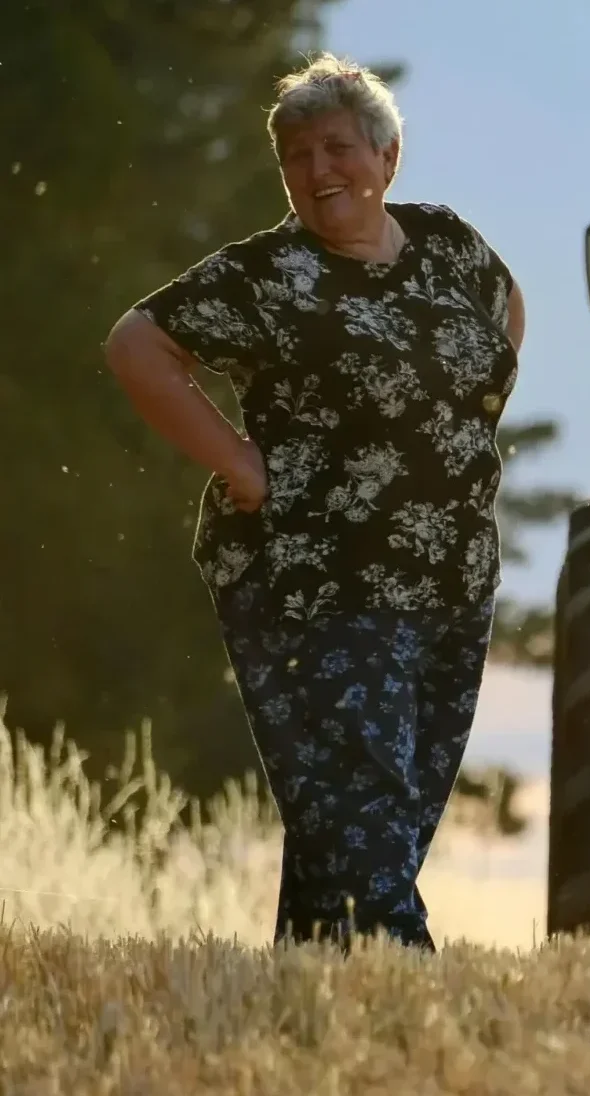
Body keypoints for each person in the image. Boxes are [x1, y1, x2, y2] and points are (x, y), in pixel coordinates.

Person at [102, 53, 526, 952]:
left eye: (337, 147)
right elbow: (137, 347)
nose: (318, 170)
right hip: (317, 581)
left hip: (451, 577)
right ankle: (409, 1005)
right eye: (296, 156)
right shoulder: (264, 275)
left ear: (388, 156)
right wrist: (240, 465)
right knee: (362, 810)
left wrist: (455, 428)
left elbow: (507, 313)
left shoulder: (448, 246)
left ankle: (315, 995)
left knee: (380, 814)